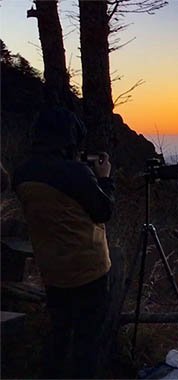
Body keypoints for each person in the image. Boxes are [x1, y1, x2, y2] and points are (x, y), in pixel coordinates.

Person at [12, 107, 115, 379]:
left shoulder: (22, 173)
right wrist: (104, 178)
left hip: (52, 269)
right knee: (87, 342)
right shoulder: (75, 173)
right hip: (89, 270)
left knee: (59, 334)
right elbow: (104, 210)